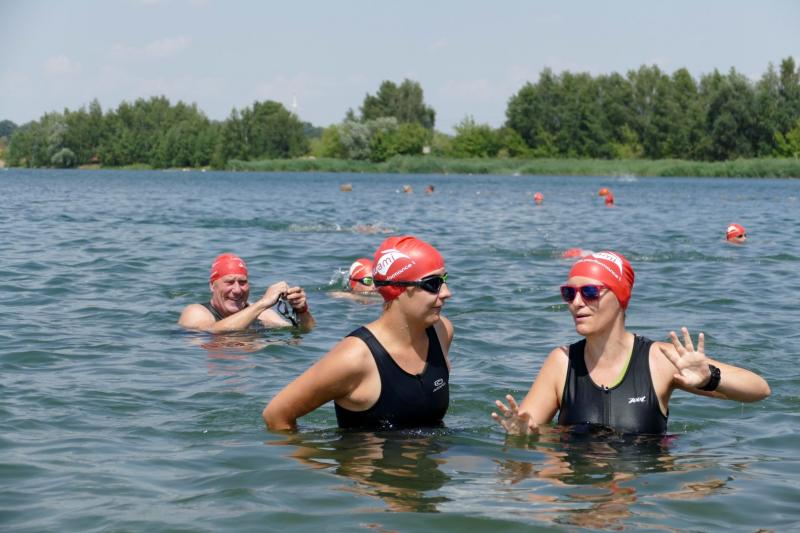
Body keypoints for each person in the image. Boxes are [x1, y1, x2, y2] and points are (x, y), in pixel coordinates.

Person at [492, 251, 770, 435]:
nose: (576, 302)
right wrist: (521, 435)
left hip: (642, 492)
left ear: (620, 297)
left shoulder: (659, 359)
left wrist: (710, 378)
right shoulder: (562, 363)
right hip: (579, 495)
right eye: (569, 293)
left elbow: (759, 390)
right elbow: (526, 430)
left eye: (589, 292)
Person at [263, 236, 454, 430]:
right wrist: (315, 451)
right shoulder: (354, 358)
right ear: (396, 288)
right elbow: (276, 416)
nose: (447, 292)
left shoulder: (441, 332)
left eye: (444, 280)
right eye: (433, 284)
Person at [178, 253, 315, 333]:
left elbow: (303, 331)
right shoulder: (196, 312)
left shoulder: (264, 315)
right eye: (229, 282)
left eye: (242, 282)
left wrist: (302, 310)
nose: (237, 290)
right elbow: (213, 332)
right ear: (212, 286)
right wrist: (263, 303)